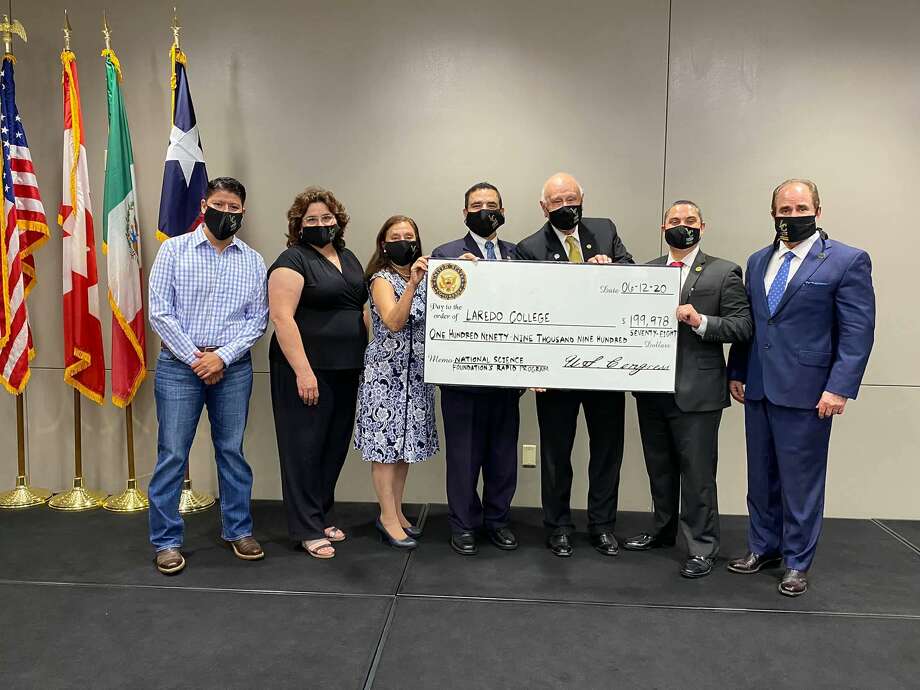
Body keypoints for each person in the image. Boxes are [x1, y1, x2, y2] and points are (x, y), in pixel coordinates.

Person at [726, 179, 875, 596]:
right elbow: (751, 325)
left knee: (801, 481)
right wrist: (737, 370)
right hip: (758, 386)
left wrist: (839, 388)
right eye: (784, 211)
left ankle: (796, 561)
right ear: (773, 214)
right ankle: (762, 547)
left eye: (800, 208)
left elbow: (857, 332)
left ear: (818, 211)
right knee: (761, 475)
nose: (792, 216)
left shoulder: (846, 261)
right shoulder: (757, 261)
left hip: (809, 391)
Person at [624, 201, 752, 578]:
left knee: (697, 475)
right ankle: (662, 532)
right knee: (659, 470)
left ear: (703, 226)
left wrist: (701, 321)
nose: (683, 226)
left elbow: (742, 326)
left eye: (690, 221)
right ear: (664, 227)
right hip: (651, 389)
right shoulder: (646, 272)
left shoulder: (724, 271)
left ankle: (703, 546)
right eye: (675, 221)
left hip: (698, 392)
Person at [147, 177, 268, 575]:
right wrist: (196, 358)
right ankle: (166, 541)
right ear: (204, 205)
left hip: (232, 369)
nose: (227, 213)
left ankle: (238, 530)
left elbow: (257, 321)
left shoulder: (252, 260)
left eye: (234, 208)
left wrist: (222, 358)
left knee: (231, 452)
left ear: (243, 213)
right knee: (173, 455)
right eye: (220, 204)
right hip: (179, 367)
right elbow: (160, 312)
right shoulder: (174, 250)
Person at [515, 172, 633, 558]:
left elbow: (632, 275)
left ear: (583, 198)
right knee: (555, 452)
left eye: (571, 198)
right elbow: (523, 309)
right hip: (555, 370)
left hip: (604, 365)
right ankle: (559, 526)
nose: (566, 206)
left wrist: (612, 268)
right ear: (543, 207)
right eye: (557, 201)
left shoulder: (604, 229)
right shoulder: (529, 247)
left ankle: (602, 525)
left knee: (607, 450)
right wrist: (532, 367)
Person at [268, 187, 368, 560]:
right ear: (298, 225)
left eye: (327, 218)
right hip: (307, 370)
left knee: (333, 446)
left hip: (347, 368)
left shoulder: (349, 256)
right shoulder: (292, 259)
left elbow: (359, 309)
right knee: (304, 449)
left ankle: (323, 513)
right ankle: (306, 527)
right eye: (311, 220)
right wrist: (304, 372)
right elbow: (281, 317)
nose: (321, 224)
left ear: (338, 221)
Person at [431, 182, 522, 556]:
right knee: (463, 458)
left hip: (506, 376)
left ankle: (498, 521)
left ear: (503, 211)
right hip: (462, 381)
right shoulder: (446, 254)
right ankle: (464, 524)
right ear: (464, 212)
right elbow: (438, 309)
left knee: (503, 457)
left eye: (492, 205)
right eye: (476, 205)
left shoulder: (519, 255)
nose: (485, 210)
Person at [355, 215, 438, 550]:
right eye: (396, 235)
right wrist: (414, 286)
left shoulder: (429, 276)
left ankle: (397, 510)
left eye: (409, 235)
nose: (404, 240)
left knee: (404, 449)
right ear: (384, 243)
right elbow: (393, 321)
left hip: (417, 376)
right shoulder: (381, 279)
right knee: (384, 451)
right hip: (385, 377)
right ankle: (387, 517)